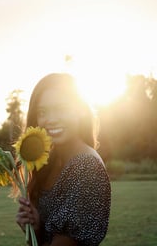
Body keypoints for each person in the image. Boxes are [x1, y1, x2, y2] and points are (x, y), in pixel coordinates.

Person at [14, 73, 111, 246]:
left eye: (61, 109)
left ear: (80, 111)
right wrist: (34, 228)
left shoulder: (85, 166)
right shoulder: (51, 162)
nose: (50, 120)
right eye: (42, 112)